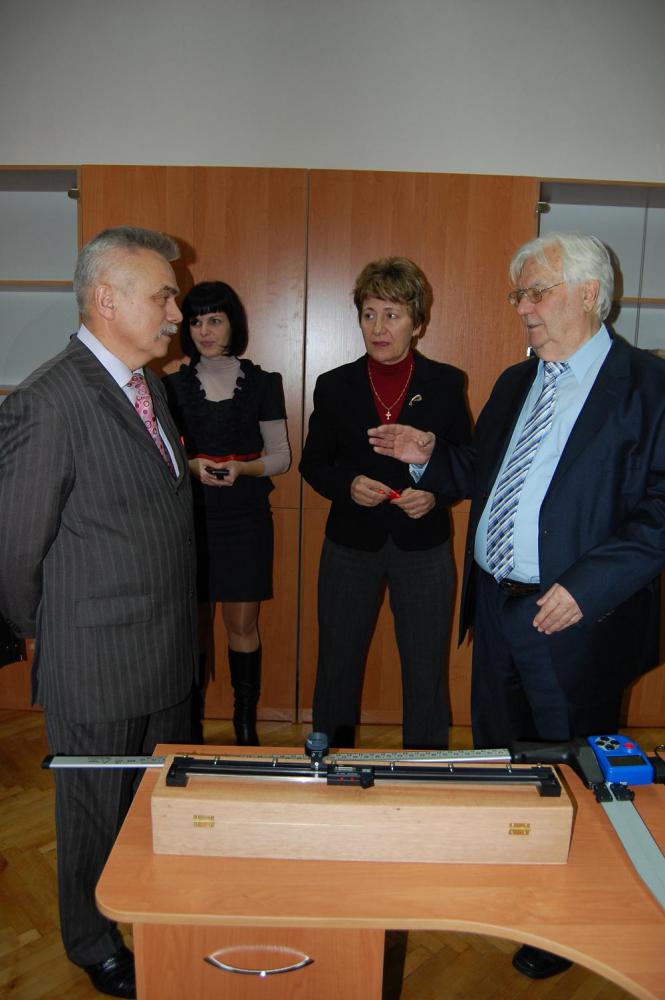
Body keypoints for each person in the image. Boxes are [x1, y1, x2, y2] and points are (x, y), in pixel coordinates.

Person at [369, 232, 665, 979]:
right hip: (497, 608)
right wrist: (427, 455)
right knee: (504, 758)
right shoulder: (514, 380)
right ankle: (513, 885)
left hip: (578, 620)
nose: (523, 308)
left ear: (590, 293)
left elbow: (660, 511)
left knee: (575, 769)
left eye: (537, 292)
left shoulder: (648, 385)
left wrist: (587, 586)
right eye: (519, 295)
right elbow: (482, 469)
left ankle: (568, 917)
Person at [0, 226, 198, 999]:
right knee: (91, 813)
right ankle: (91, 940)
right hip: (98, 660)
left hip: (166, 648)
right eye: (164, 295)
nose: (176, 312)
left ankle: (146, 906)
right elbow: (14, 549)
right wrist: (51, 634)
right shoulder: (49, 400)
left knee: (155, 801)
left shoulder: (148, 387)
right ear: (107, 300)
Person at [299, 257, 470, 749]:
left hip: (424, 546)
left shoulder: (445, 382)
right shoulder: (334, 385)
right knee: (337, 663)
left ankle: (426, 768)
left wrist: (435, 494)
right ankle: (329, 762)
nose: (378, 327)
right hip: (350, 544)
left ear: (417, 323)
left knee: (426, 667)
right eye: (369, 314)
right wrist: (348, 484)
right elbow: (314, 464)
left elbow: (466, 461)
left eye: (392, 315)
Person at [164, 281, 290, 746]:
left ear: (233, 324)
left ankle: (244, 724)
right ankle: (191, 723)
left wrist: (242, 467)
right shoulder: (170, 386)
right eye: (196, 321)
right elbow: (161, 457)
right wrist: (192, 465)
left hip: (246, 518)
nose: (204, 330)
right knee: (192, 627)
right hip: (190, 519)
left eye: (215, 320)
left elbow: (281, 457)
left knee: (242, 624)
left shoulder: (264, 383)